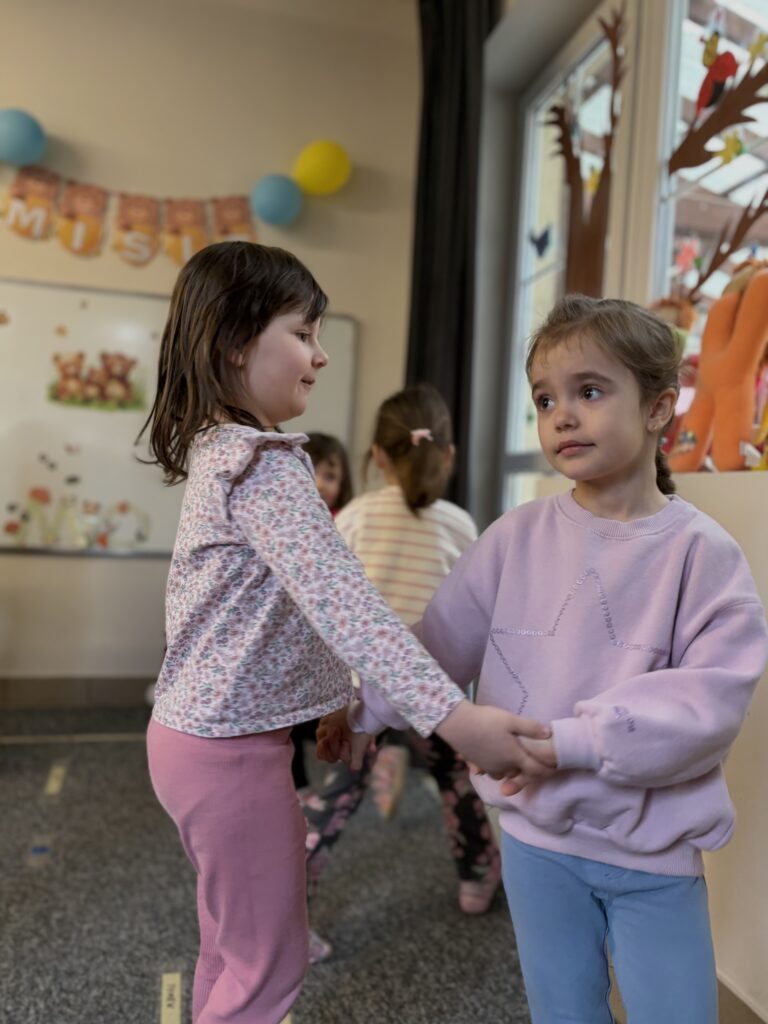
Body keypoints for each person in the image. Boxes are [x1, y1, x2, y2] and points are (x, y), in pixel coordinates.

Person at [322, 295, 768, 1024]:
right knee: (563, 1013)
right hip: (535, 844)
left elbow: (708, 708)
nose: (562, 416)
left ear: (659, 409)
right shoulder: (513, 537)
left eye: (589, 392)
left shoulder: (702, 554)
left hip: (651, 856)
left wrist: (571, 744)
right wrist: (366, 710)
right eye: (545, 399)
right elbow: (436, 645)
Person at [139, 240, 553, 1024]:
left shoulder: (221, 451)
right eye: (303, 333)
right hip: (228, 755)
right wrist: (458, 718)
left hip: (197, 742)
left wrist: (338, 699)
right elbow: (351, 609)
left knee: (231, 947)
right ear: (236, 341)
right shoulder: (263, 464)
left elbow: (290, 611)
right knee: (269, 964)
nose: (320, 355)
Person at [301, 387, 502, 962]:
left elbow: (329, 606)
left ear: (377, 457)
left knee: (338, 793)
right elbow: (477, 616)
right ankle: (476, 881)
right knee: (457, 782)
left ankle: (291, 898)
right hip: (435, 690)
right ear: (449, 455)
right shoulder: (461, 525)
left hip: (364, 690)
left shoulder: (355, 517)